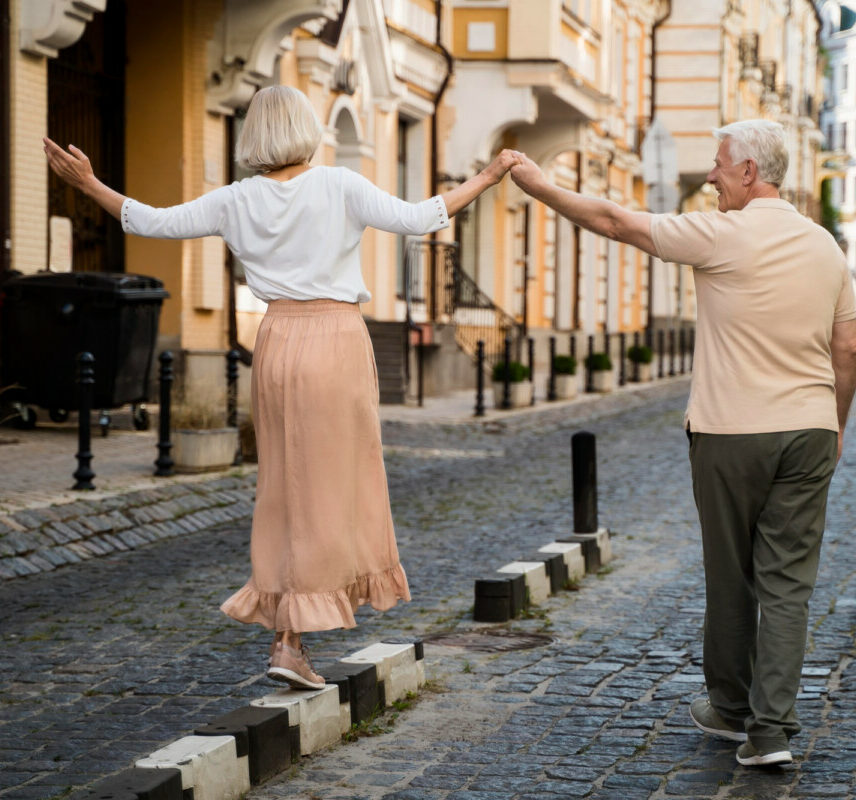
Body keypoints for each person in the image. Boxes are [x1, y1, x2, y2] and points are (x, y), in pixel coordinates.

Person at [45, 85, 518, 690]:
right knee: (337, 484)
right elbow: (420, 217)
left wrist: (88, 184)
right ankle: (291, 638)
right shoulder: (340, 185)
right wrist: (489, 173)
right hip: (336, 340)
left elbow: (152, 221)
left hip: (276, 343)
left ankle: (289, 633)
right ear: (305, 128)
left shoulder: (237, 200)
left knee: (286, 488)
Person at [509, 119, 856, 766]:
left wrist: (538, 184)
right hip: (810, 430)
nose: (711, 176)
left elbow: (616, 222)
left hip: (732, 432)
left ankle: (730, 709)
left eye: (720, 164)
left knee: (732, 579)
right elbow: (850, 348)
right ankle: (771, 733)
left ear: (750, 172)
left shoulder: (720, 234)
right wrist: (835, 423)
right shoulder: (825, 247)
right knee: (788, 586)